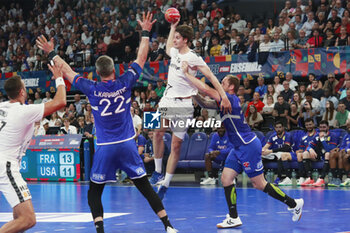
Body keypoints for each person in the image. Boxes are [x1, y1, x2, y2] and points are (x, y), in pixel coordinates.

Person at [36, 12, 178, 233]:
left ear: (98, 72)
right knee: (144, 186)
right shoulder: (125, 82)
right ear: (114, 70)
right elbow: (141, 58)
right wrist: (145, 32)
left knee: (94, 192)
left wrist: (52, 52)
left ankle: (100, 230)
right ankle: (168, 226)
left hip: (104, 147)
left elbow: (67, 70)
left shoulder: (91, 88)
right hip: (127, 144)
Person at [182, 62, 303, 228]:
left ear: (230, 87)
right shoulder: (223, 100)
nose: (220, 84)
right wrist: (192, 92)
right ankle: (234, 217)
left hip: (248, 145)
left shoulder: (229, 98)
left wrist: (186, 75)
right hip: (237, 147)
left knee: (259, 184)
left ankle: (294, 204)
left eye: (222, 82)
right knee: (226, 178)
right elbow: (205, 102)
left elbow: (207, 90)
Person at [150, 18, 232, 200]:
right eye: (175, 37)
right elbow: (166, 47)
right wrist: (172, 27)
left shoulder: (193, 57)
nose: (174, 40)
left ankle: (166, 183)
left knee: (176, 145)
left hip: (185, 103)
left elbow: (211, 75)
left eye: (178, 37)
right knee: (157, 132)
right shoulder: (174, 52)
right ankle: (157, 172)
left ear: (185, 40)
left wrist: (223, 96)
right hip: (168, 99)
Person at [0, 63, 67, 232]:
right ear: (22, 92)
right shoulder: (23, 111)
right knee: (28, 219)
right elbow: (61, 102)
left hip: (5, 162)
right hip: (6, 165)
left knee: (19, 216)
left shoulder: (2, 107)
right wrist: (59, 78)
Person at [303, 120, 338, 187]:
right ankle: (310, 178)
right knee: (305, 153)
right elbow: (309, 146)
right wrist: (310, 149)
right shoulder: (316, 135)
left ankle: (321, 178)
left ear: (328, 127)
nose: (322, 129)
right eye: (320, 127)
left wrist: (322, 139)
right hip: (318, 155)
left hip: (328, 156)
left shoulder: (333, 136)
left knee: (327, 154)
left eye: (324, 127)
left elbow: (330, 150)